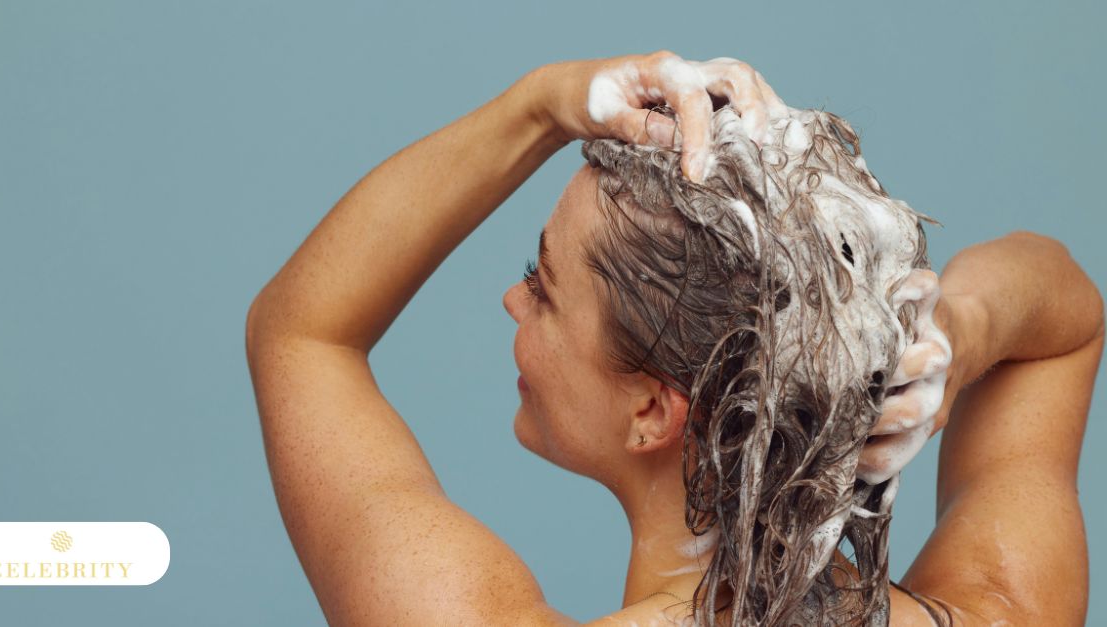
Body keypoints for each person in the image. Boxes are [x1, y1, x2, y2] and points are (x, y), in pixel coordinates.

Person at [244, 51, 1103, 625]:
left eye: (542, 287)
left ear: (653, 409)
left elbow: (304, 333)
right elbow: (1066, 319)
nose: (514, 299)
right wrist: (948, 329)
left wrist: (543, 105)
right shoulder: (993, 608)